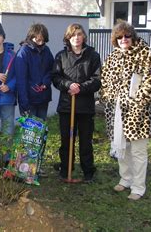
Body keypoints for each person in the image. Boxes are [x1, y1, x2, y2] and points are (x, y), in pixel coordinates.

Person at [100, 21, 151, 200]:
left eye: (127, 36)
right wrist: (107, 97)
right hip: (117, 110)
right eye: (119, 37)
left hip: (138, 113)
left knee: (138, 151)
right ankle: (125, 178)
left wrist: (141, 102)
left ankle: (138, 187)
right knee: (121, 146)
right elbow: (104, 80)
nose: (123, 39)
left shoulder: (146, 54)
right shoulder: (112, 57)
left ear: (133, 36)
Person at [51, 23, 101, 183]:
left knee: (86, 141)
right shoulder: (61, 56)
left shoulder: (93, 55)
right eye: (73, 35)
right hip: (67, 105)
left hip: (85, 106)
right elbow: (56, 77)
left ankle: (88, 172)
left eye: (79, 34)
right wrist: (68, 85)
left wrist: (80, 87)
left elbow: (97, 79)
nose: (77, 38)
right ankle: (66, 170)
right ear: (68, 38)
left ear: (84, 36)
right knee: (67, 140)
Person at [15, 23, 54, 120]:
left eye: (43, 40)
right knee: (30, 133)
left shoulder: (46, 50)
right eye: (38, 39)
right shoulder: (24, 52)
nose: (40, 43)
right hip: (29, 100)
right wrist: (24, 102)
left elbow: (52, 69)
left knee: (41, 130)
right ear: (31, 37)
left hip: (43, 98)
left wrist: (46, 82)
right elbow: (21, 79)